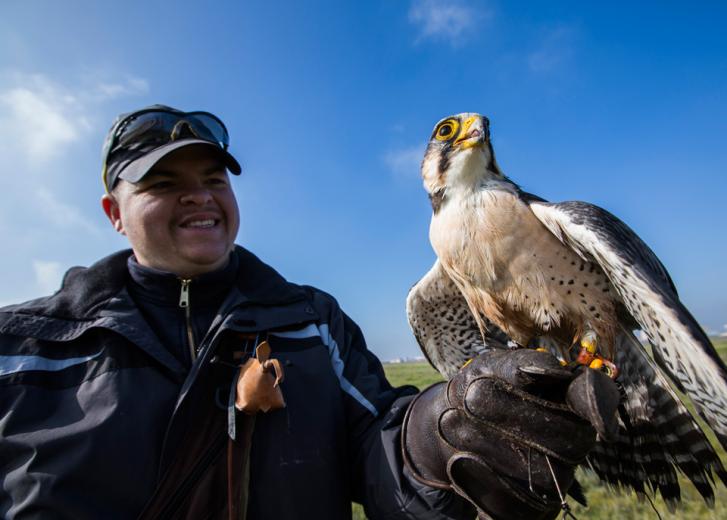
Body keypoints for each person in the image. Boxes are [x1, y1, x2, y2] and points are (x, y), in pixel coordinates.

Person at [0, 105, 616, 519]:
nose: (199, 195)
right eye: (162, 184)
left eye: (214, 178)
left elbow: (381, 446)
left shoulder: (310, 321)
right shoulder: (22, 349)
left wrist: (438, 439)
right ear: (114, 213)